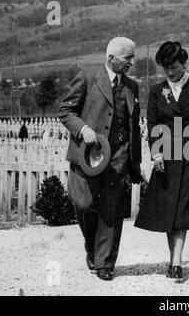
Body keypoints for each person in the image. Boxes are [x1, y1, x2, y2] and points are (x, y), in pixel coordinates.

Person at [59, 37, 142, 281]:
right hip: (88, 156)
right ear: (111, 58)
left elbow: (132, 127)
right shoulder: (87, 76)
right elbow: (66, 110)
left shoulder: (132, 87)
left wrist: (133, 162)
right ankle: (91, 246)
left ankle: (105, 262)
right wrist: (82, 129)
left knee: (112, 210)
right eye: (128, 58)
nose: (132, 63)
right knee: (84, 204)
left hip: (118, 156)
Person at [134, 41, 189, 279]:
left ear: (184, 64)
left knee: (183, 207)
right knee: (170, 207)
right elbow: (151, 124)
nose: (171, 72)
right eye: (167, 68)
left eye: (175, 67)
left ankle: (177, 261)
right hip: (166, 154)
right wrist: (156, 153)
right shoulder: (157, 91)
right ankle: (174, 260)